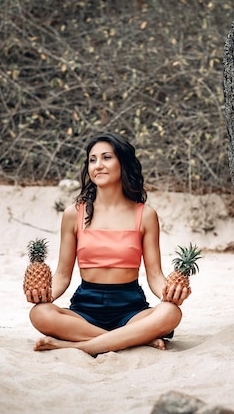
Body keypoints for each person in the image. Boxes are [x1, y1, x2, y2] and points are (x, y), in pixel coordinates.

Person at [24, 132, 191, 356]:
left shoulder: (146, 215)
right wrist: (42, 295)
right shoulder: (74, 214)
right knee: (39, 314)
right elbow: (63, 275)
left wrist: (172, 292)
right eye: (92, 160)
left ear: (123, 162)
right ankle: (134, 338)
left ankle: (75, 345)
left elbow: (154, 275)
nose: (98, 165)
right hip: (85, 310)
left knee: (171, 313)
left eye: (106, 158)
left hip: (131, 310)